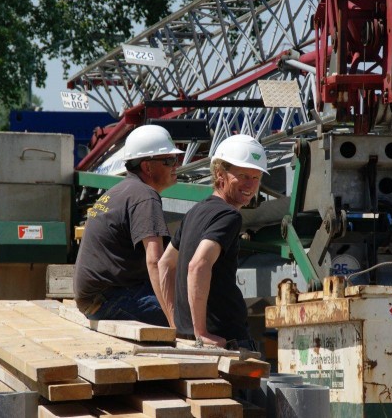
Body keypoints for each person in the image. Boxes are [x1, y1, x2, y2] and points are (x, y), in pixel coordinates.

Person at [158, 134, 268, 348]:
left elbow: (165, 264)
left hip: (189, 337)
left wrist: (175, 323)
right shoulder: (229, 216)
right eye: (243, 175)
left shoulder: (195, 211)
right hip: (224, 338)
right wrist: (201, 332)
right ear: (220, 174)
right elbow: (198, 265)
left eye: (256, 177)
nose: (250, 184)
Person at [74, 124, 183, 326]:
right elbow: (155, 262)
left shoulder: (122, 190)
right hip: (111, 299)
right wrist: (174, 322)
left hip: (100, 298)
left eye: (176, 159)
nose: (176, 165)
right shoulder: (145, 196)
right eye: (169, 160)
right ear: (147, 167)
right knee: (196, 312)